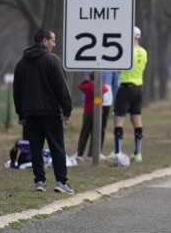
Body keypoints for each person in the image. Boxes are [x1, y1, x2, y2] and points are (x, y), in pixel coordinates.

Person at [13, 27, 74, 194]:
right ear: (44, 41)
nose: (54, 44)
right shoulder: (52, 60)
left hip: (30, 114)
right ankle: (61, 182)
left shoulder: (21, 63)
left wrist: (21, 113)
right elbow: (62, 88)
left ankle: (39, 181)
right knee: (57, 147)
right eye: (52, 40)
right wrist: (67, 110)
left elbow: (17, 92)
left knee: (35, 149)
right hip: (51, 112)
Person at [114, 26, 148, 162]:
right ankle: (138, 153)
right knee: (137, 121)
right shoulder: (144, 52)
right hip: (138, 89)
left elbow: (118, 68)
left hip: (125, 88)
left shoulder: (126, 52)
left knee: (118, 121)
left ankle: (118, 152)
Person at [76, 72, 109, 159]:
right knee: (95, 133)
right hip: (98, 113)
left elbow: (80, 86)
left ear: (90, 78)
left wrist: (86, 80)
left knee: (85, 133)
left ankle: (80, 153)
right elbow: (106, 89)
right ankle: (91, 154)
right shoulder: (101, 87)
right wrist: (100, 82)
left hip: (88, 112)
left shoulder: (87, 87)